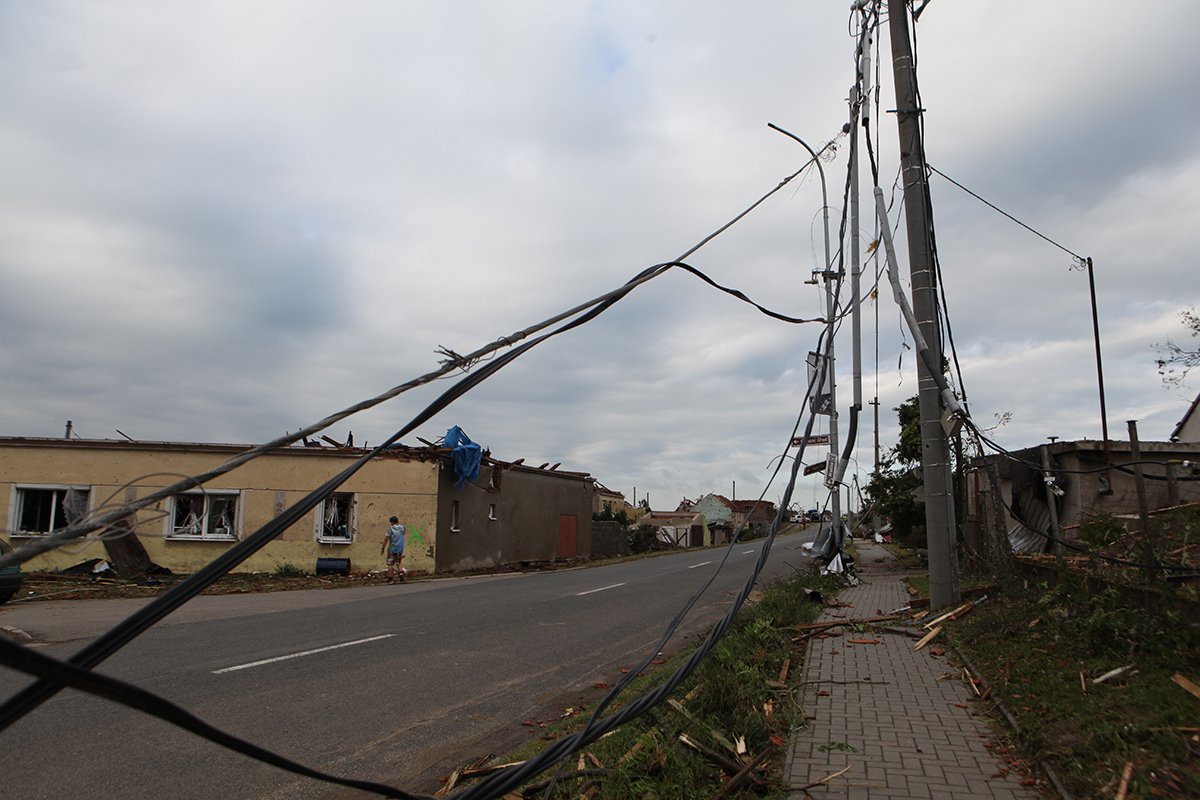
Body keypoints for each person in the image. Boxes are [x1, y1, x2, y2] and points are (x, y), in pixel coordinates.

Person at [381, 516, 407, 583]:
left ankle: (390, 579)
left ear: (392, 522)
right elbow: (403, 532)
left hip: (392, 549)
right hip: (400, 548)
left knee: (390, 564)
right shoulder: (403, 528)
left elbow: (386, 539)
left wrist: (383, 548)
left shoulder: (390, 529)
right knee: (399, 562)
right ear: (397, 521)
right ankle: (401, 574)